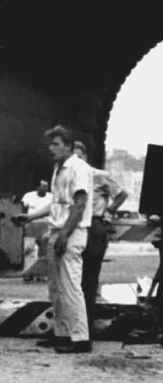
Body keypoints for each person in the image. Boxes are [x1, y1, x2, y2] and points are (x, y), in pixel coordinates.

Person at [15, 126, 92, 352]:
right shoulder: (59, 168)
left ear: (68, 145)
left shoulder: (77, 168)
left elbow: (79, 205)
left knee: (70, 286)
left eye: (56, 144)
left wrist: (65, 235)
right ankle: (62, 333)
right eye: (51, 144)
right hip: (59, 231)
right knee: (56, 288)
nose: (51, 148)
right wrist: (30, 216)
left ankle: (80, 338)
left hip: (70, 232)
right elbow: (57, 204)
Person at [72, 141, 128, 329]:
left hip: (94, 225)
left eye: (80, 156)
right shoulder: (68, 176)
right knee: (71, 276)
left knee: (89, 276)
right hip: (73, 224)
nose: (76, 161)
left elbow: (121, 193)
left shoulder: (99, 176)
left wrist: (109, 211)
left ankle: (86, 322)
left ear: (86, 157)